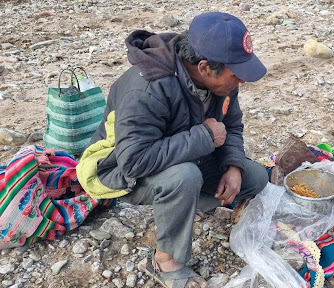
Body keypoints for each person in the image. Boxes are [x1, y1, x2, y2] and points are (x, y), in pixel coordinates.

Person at [77, 12, 269, 288]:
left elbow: (232, 125)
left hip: (180, 154)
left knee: (254, 177)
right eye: (237, 74)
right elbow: (133, 161)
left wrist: (233, 165)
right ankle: (166, 261)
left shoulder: (222, 83)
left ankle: (183, 205)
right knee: (184, 177)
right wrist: (203, 136)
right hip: (115, 169)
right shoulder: (148, 89)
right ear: (204, 68)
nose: (242, 81)